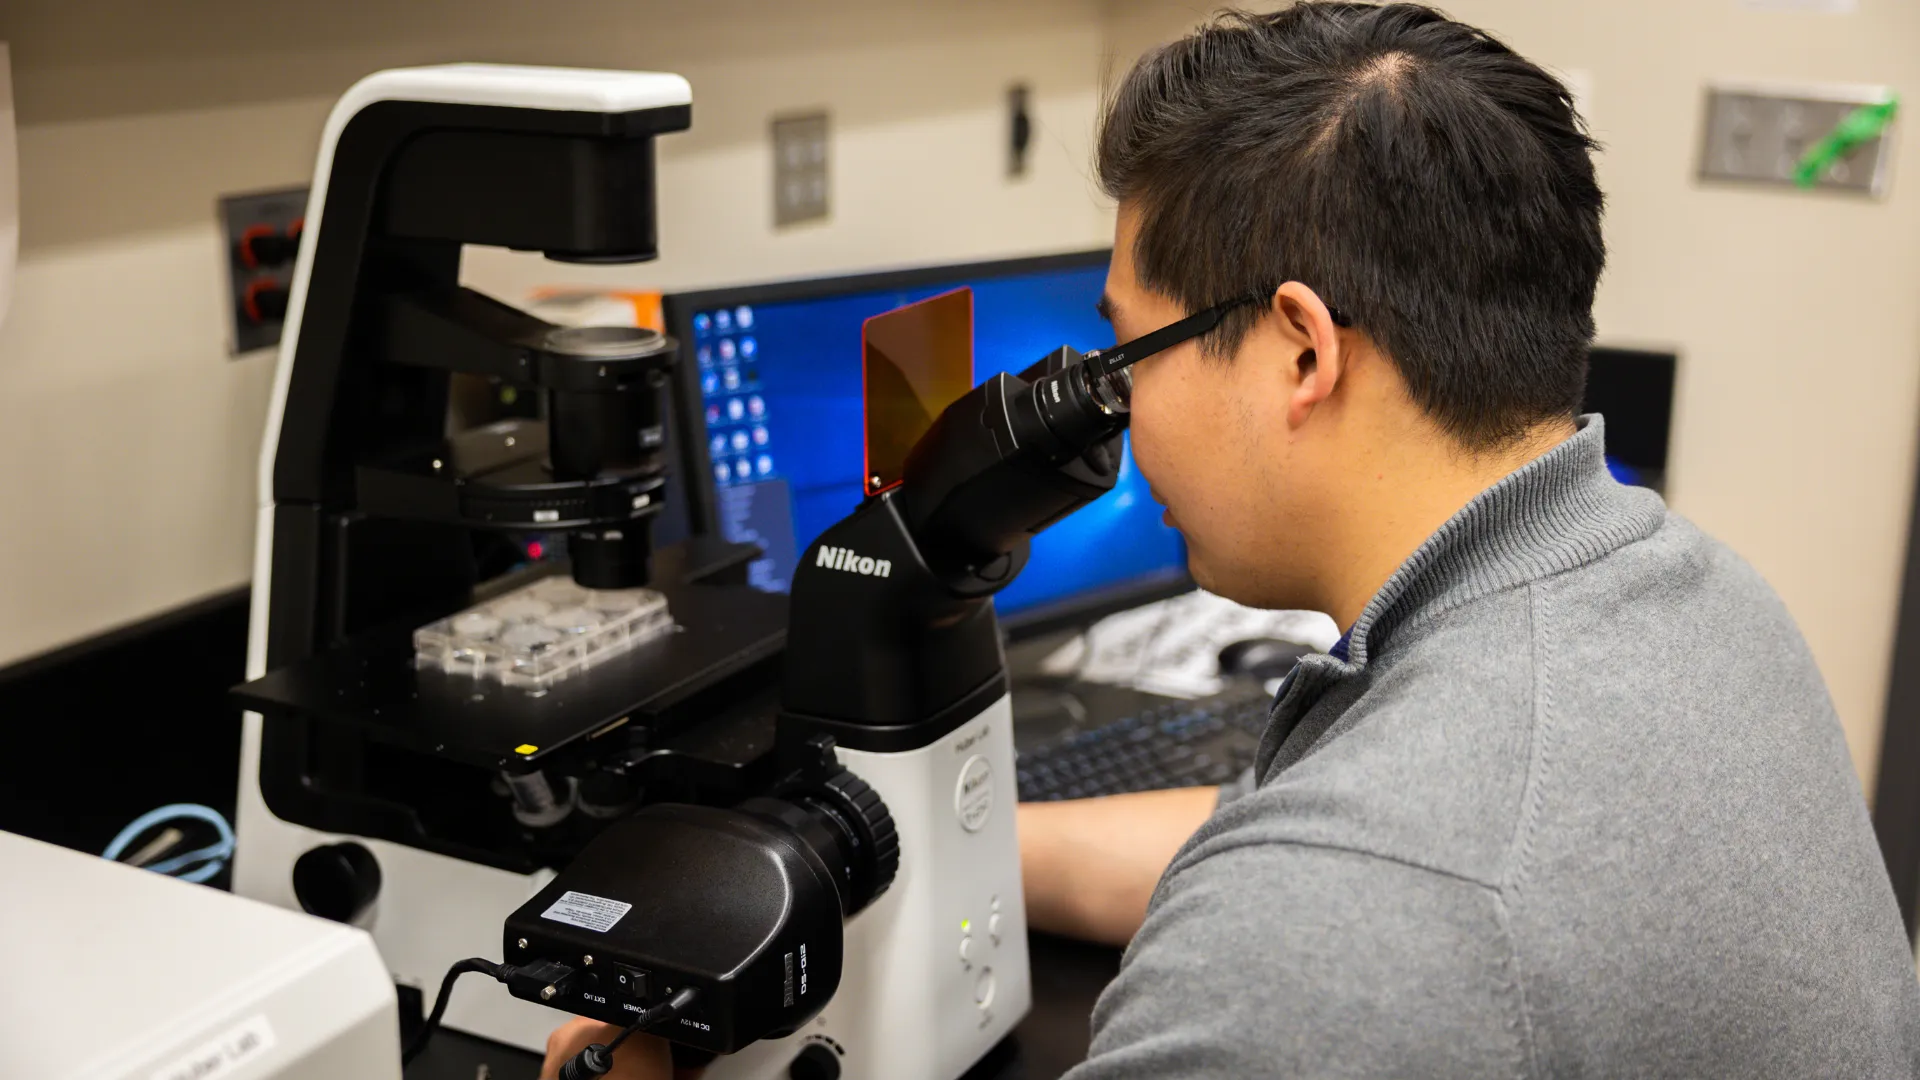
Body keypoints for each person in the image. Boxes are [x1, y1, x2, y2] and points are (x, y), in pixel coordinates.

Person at [543, 3, 1920, 1076]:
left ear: (1301, 351)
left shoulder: (1333, 930)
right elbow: (1261, 837)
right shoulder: (1692, 598)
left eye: (1132, 343)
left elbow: (1338, 892)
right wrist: (928, 846)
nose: (1121, 401)